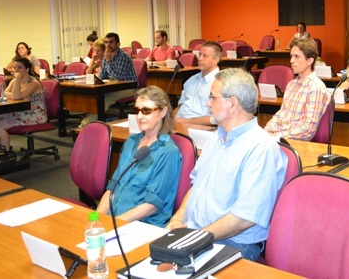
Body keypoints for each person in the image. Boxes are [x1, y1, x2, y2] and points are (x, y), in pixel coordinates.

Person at [166, 68, 287, 261]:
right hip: (198, 233)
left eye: (213, 98)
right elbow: (196, 185)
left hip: (234, 243)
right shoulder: (216, 138)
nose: (207, 103)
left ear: (232, 104)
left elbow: (244, 218)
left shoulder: (260, 148)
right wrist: (179, 218)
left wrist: (196, 237)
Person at [97, 86, 182, 227]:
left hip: (142, 225)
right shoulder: (131, 142)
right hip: (116, 220)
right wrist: (98, 219)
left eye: (147, 111)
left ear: (163, 111)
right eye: (137, 110)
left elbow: (151, 206)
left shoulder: (168, 152)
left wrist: (114, 224)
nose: (140, 116)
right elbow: (113, 188)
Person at [265, 38, 330, 141]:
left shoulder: (316, 88)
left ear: (310, 60)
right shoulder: (291, 84)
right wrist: (266, 132)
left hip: (294, 143)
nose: (291, 61)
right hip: (279, 138)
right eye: (291, 56)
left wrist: (276, 136)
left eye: (297, 57)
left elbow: (307, 130)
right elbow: (281, 114)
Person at [72, 32, 138, 133]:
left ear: (118, 44)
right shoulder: (106, 57)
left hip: (128, 88)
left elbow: (118, 77)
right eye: (106, 42)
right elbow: (103, 75)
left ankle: (83, 127)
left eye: (111, 42)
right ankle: (90, 124)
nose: (108, 45)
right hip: (114, 87)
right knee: (95, 97)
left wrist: (108, 61)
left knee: (104, 99)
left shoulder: (123, 57)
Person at [0, 57, 47, 150]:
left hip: (35, 114)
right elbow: (4, 94)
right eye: (14, 68)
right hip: (21, 111)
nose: (16, 70)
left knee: (0, 126)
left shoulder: (33, 83)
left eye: (19, 68)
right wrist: (15, 93)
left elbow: (16, 96)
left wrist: (17, 80)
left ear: (27, 69)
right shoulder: (14, 81)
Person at [174, 41, 221, 126]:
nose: (199, 58)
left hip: (198, 127)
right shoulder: (191, 80)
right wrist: (169, 120)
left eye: (205, 56)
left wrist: (184, 122)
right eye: (199, 54)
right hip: (178, 123)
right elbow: (181, 106)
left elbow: (216, 119)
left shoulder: (220, 83)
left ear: (216, 60)